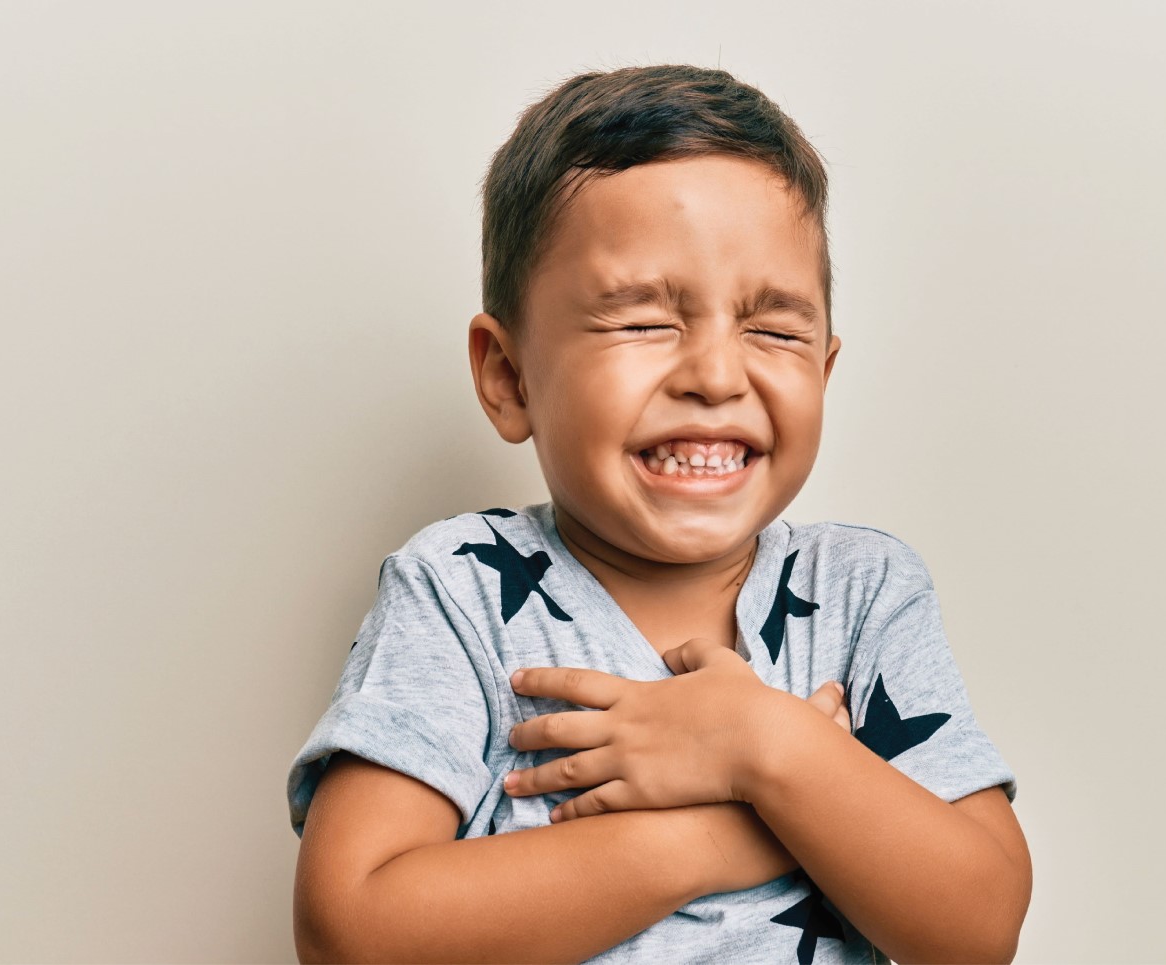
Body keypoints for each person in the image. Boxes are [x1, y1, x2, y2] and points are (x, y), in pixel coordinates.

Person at [286, 63, 1030, 964]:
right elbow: (352, 930)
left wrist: (764, 742)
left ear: (824, 372)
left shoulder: (864, 592)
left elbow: (980, 926)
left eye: (774, 329)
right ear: (508, 375)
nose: (716, 377)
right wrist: (726, 832)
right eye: (642, 321)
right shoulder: (458, 591)